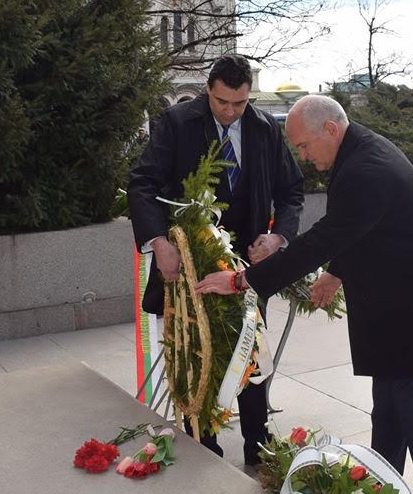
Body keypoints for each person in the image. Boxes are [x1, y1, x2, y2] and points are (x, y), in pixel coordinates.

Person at [196, 95, 413, 494]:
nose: (303, 157)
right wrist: (336, 273)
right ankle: (381, 486)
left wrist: (244, 280)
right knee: (391, 419)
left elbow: (326, 236)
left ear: (330, 128)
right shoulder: (358, 151)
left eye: (304, 146)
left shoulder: (365, 167)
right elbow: (365, 226)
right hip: (396, 315)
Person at [126, 54, 305, 465]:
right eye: (221, 102)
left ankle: (257, 443)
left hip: (249, 265)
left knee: (250, 350)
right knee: (198, 349)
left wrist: (278, 236)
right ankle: (203, 443)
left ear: (249, 97)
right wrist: (158, 242)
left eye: (238, 104)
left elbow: (292, 190)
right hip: (192, 261)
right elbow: (143, 183)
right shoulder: (175, 123)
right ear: (208, 89)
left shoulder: (264, 129)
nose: (229, 112)